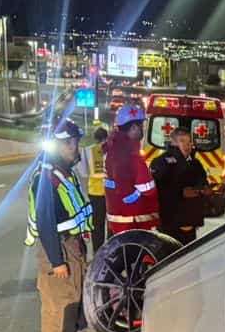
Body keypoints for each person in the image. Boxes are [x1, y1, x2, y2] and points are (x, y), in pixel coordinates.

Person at [26, 119, 101, 332]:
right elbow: (46, 222)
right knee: (59, 298)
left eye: (76, 142)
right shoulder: (46, 177)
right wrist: (57, 261)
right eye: (71, 144)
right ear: (58, 145)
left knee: (76, 293)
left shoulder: (63, 172)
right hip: (57, 247)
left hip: (73, 243)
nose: (75, 148)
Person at [103, 104, 159, 234]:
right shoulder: (131, 153)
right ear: (134, 127)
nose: (142, 130)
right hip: (134, 221)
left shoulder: (113, 148)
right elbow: (147, 189)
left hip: (118, 219)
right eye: (141, 126)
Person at [151, 124, 210, 244]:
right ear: (173, 142)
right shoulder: (162, 162)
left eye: (189, 142)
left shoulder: (195, 164)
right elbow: (159, 190)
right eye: (182, 141)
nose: (187, 146)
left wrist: (204, 190)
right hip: (169, 222)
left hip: (190, 222)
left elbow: (203, 182)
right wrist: (180, 193)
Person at [86, 124, 109, 249]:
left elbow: (83, 171)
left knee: (97, 223)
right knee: (111, 223)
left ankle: (98, 251)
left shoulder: (88, 150)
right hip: (111, 192)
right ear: (107, 137)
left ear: (95, 138)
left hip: (95, 192)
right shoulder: (113, 149)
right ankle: (112, 250)